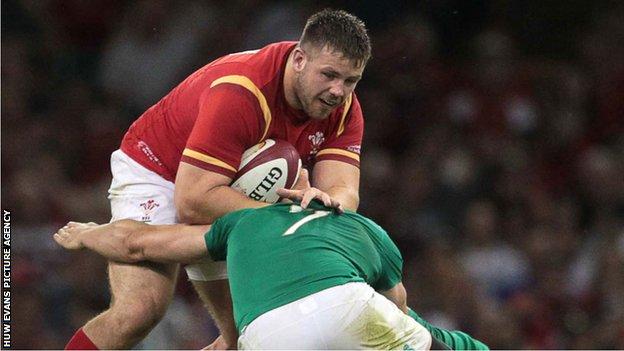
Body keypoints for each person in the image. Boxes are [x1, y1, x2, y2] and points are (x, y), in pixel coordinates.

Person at [65, 9, 370, 349]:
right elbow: (193, 202)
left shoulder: (342, 108)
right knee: (139, 311)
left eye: (350, 80)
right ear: (299, 59)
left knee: (249, 336)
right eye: (329, 75)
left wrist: (323, 207)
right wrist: (283, 217)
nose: (338, 91)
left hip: (234, 189)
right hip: (160, 170)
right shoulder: (241, 92)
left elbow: (343, 192)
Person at [54, 200, 490, 350]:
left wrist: (89, 234)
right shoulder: (363, 227)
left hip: (263, 335)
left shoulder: (240, 224)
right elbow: (397, 308)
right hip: (347, 307)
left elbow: (139, 243)